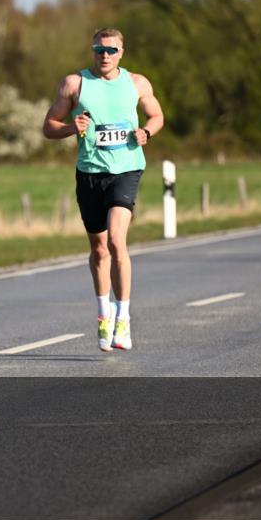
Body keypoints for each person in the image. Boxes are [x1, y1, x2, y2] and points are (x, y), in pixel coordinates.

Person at [42, 28, 164, 352]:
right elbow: (47, 126)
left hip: (126, 169)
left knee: (115, 240)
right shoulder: (74, 84)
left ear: (122, 52)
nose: (105, 55)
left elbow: (156, 115)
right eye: (99, 49)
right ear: (92, 51)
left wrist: (146, 133)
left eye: (111, 50)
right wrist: (71, 127)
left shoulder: (137, 83)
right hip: (90, 173)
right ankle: (103, 313)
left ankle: (123, 318)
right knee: (98, 250)